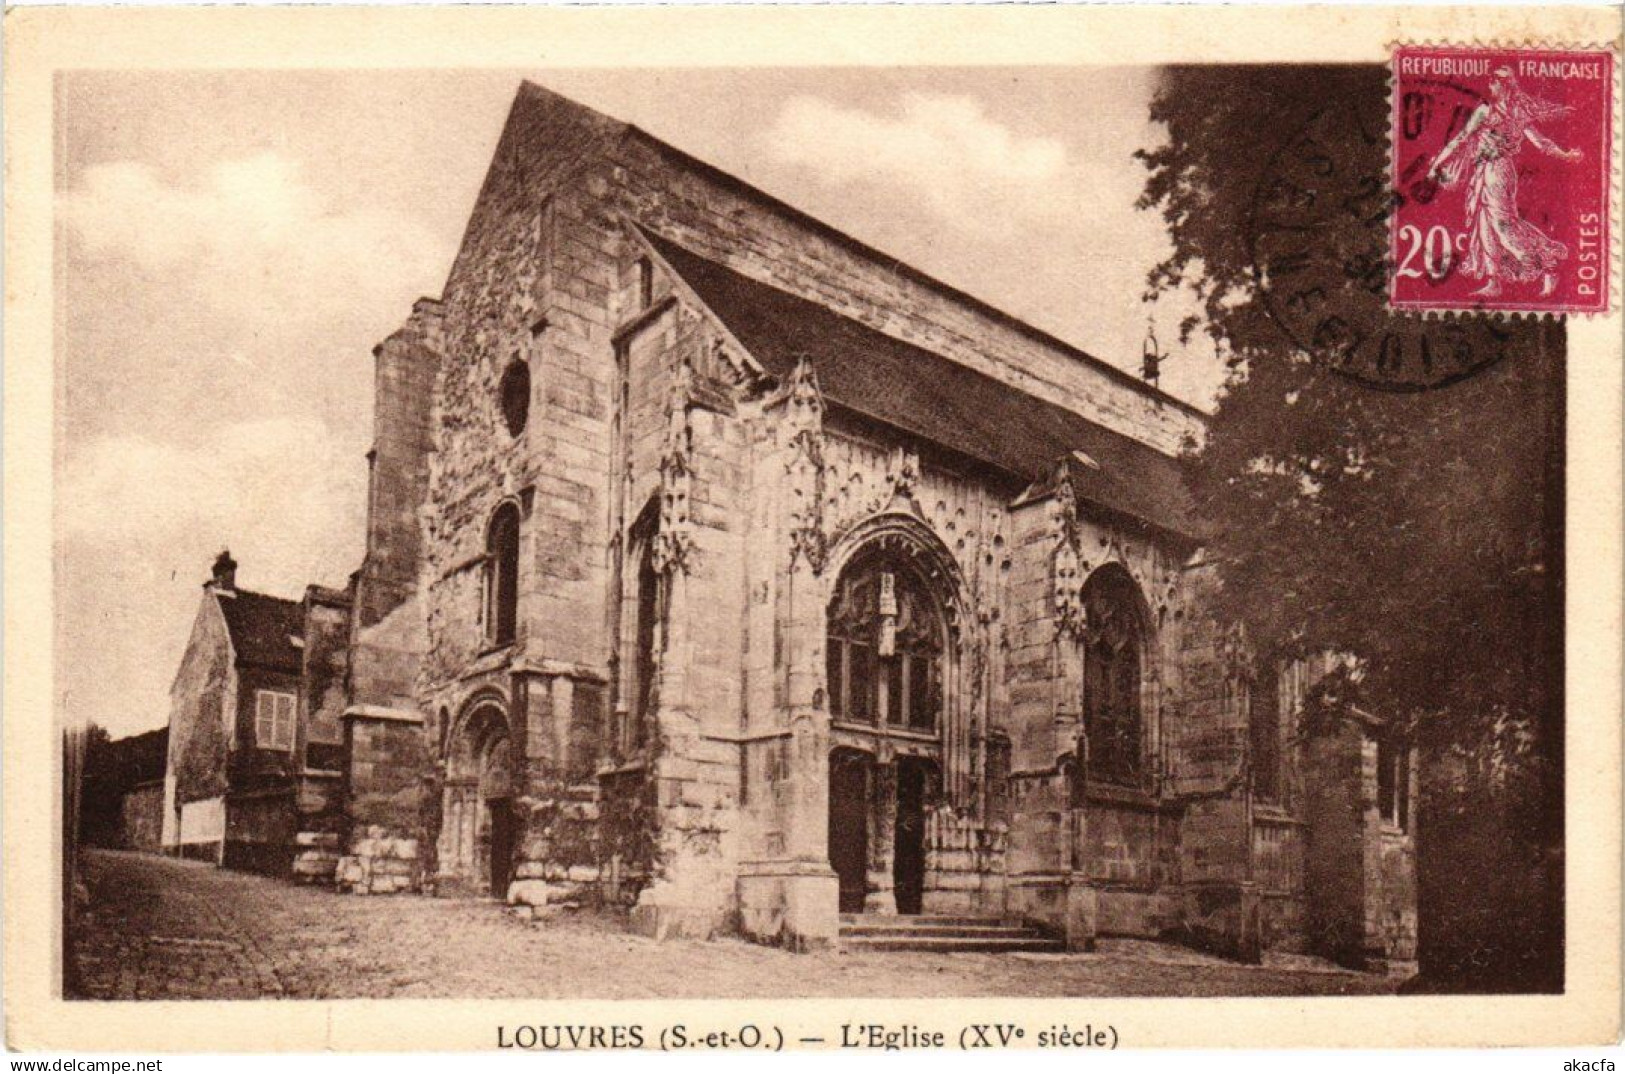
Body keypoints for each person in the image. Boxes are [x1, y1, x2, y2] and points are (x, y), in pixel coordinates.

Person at [1427, 67, 1582, 298]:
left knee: (1503, 225)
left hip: (1498, 171)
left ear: (1504, 85)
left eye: (1494, 82)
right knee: (1484, 224)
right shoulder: (1493, 110)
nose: (1490, 86)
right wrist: (1437, 164)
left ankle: (1548, 268)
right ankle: (1494, 282)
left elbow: (1540, 143)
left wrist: (1566, 156)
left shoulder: (1507, 111)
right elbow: (1462, 139)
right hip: (1483, 172)